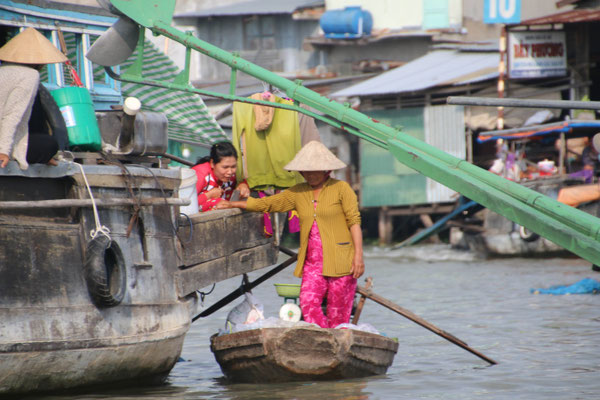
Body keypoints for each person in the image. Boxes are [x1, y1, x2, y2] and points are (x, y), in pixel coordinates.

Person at [216, 140, 364, 328]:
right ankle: (323, 337)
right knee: (308, 303)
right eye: (305, 170)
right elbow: (268, 204)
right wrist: (234, 204)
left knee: (338, 313)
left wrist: (358, 257)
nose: (309, 174)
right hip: (312, 263)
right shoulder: (298, 192)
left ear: (326, 169)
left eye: (314, 170)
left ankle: (336, 340)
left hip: (342, 260)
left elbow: (354, 222)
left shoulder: (341, 189)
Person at [0, 27, 67, 169]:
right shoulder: (30, 75)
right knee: (49, 144)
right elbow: (12, 115)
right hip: (2, 141)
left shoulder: (3, 70)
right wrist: (3, 151)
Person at [192, 141, 250, 212]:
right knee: (220, 203)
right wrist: (208, 195)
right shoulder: (199, 175)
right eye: (225, 167)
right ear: (212, 163)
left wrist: (243, 185)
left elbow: (244, 183)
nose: (230, 172)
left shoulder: (232, 176)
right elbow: (185, 203)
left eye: (233, 166)